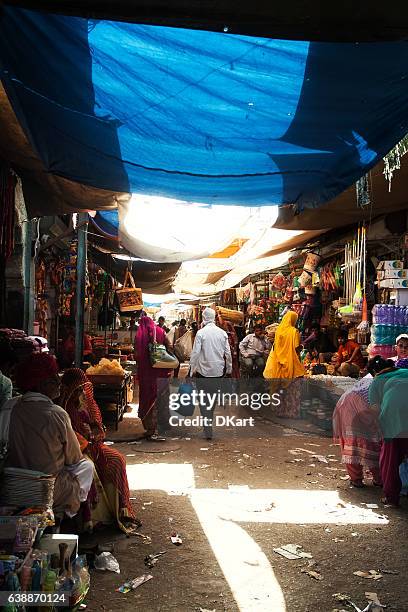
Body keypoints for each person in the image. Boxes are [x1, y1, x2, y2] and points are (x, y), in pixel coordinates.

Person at [4, 354, 93, 518]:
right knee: (87, 466)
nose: (59, 384)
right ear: (41, 384)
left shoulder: (10, 406)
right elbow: (74, 458)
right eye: (53, 380)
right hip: (48, 488)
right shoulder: (57, 414)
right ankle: (67, 511)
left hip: (13, 484)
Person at [59, 369, 139, 533]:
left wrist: (96, 429)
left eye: (82, 389)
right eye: (77, 389)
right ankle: (92, 519)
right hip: (75, 452)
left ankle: (120, 511)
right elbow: (69, 439)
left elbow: (94, 423)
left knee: (117, 459)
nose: (81, 393)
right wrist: (85, 440)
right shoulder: (61, 411)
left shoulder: (82, 404)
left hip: (92, 445)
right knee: (90, 468)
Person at [332, 358, 388, 488]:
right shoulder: (376, 382)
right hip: (351, 409)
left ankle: (373, 478)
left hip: (353, 407)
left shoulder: (374, 379)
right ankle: (368, 479)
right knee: (364, 444)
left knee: (362, 443)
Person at [368, 357, 408, 506]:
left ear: (374, 372)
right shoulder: (404, 371)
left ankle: (391, 498)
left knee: (389, 458)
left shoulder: (377, 380)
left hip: (394, 416)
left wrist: (379, 429)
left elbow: (375, 409)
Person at [189, 307, 232, 439]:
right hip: (218, 372)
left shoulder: (201, 333)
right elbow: (228, 354)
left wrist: (191, 371)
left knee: (203, 401)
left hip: (203, 373)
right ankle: (209, 424)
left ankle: (207, 426)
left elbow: (195, 353)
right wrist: (229, 369)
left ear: (204, 318)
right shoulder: (222, 333)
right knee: (211, 400)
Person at [134, 312, 172, 440]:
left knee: (147, 397)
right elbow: (170, 346)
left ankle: (150, 429)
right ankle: (161, 428)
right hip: (160, 371)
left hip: (146, 374)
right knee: (160, 397)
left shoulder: (139, 335)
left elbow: (136, 355)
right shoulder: (161, 331)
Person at [263, 311, 305, 418]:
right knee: (293, 390)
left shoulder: (279, 331)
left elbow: (276, 346)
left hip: (279, 364)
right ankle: (291, 412)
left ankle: (280, 412)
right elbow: (295, 348)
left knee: (281, 389)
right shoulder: (294, 331)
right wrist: (301, 347)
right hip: (291, 363)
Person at [217, 314, 240, 379]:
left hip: (230, 354)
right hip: (223, 355)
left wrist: (234, 351)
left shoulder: (232, 335)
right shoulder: (222, 333)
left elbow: (235, 343)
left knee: (232, 366)